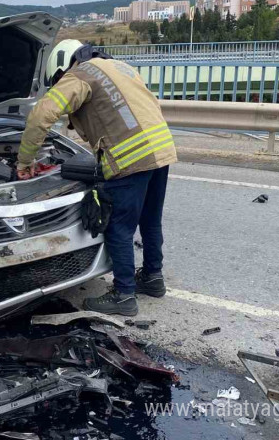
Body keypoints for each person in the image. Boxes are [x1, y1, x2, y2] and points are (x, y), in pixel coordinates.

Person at [16, 40, 176, 317]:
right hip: (161, 150)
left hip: (131, 158)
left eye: (57, 80)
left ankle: (124, 295)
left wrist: (25, 160)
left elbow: (41, 114)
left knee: (118, 228)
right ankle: (153, 279)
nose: (59, 83)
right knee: (150, 220)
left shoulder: (77, 75)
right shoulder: (119, 66)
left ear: (60, 67)